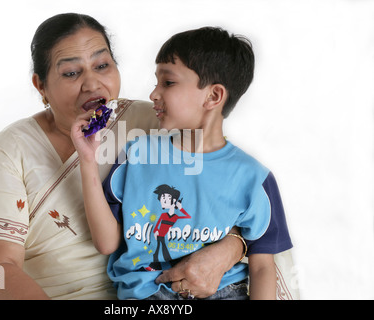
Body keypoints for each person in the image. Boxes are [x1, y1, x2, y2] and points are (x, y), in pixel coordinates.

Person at [0, 13, 245, 300]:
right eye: (71, 73)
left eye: (102, 65)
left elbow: (234, 195)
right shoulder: (11, 149)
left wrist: (230, 249)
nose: (92, 83)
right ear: (41, 86)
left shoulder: (153, 122)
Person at [71, 26, 293, 300]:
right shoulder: (137, 155)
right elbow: (106, 243)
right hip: (146, 297)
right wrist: (88, 159)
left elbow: (262, 268)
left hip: (226, 292)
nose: (153, 93)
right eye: (156, 82)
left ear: (213, 96)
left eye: (168, 82)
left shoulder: (254, 178)